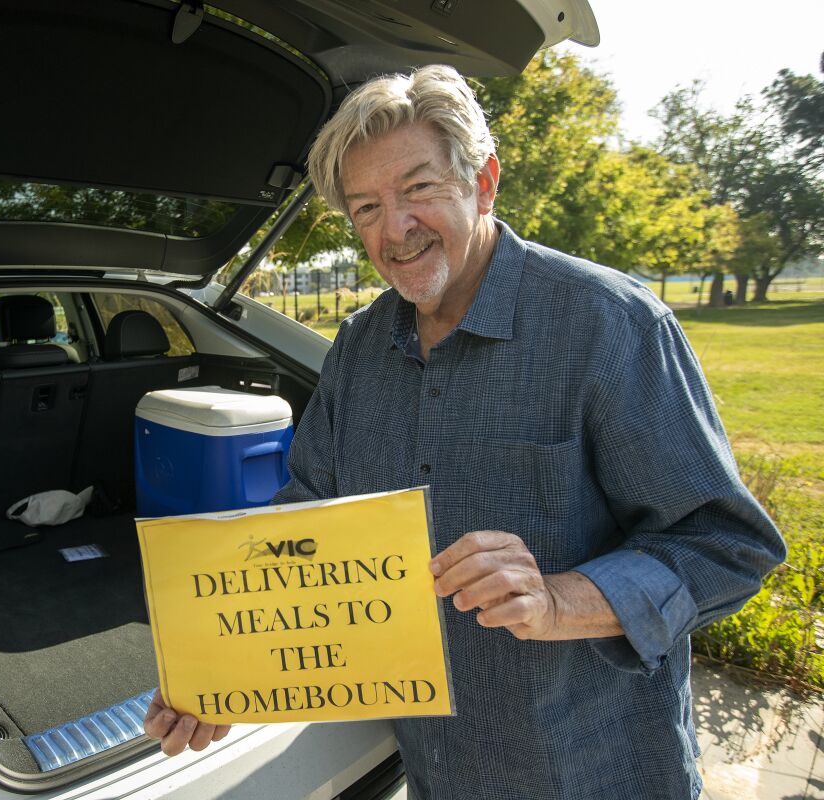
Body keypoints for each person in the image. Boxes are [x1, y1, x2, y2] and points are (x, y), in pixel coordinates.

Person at [142, 65, 785, 798]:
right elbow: (308, 518)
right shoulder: (358, 346)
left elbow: (726, 545)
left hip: (591, 774)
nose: (395, 229)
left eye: (418, 188)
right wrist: (222, 665)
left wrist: (559, 599)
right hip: (435, 770)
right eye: (366, 208)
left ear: (483, 181)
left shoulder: (609, 323)